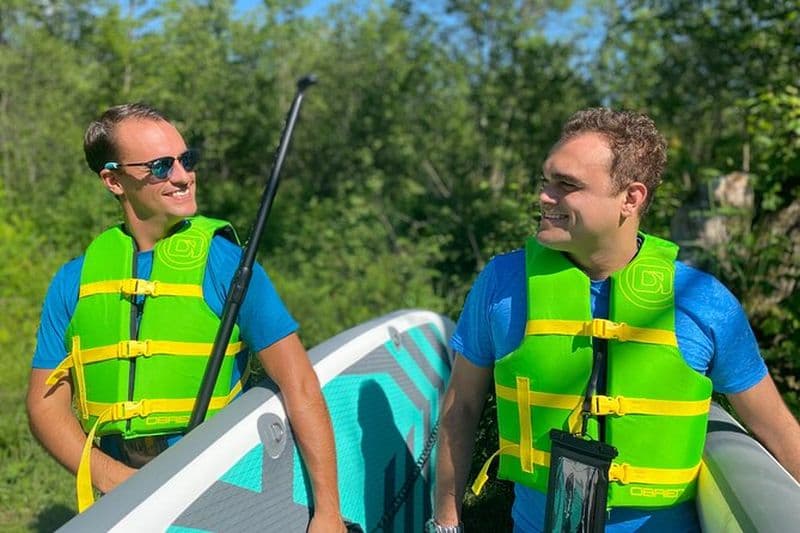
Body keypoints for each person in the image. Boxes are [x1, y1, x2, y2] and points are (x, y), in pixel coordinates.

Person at [429, 108, 800, 532]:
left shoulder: (705, 303)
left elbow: (776, 428)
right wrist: (445, 522)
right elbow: (461, 408)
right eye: (545, 181)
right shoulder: (502, 282)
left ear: (631, 198)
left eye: (567, 186)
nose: (544, 197)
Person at [26, 103, 346, 532]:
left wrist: (327, 514)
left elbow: (299, 384)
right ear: (113, 179)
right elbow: (44, 406)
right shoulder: (75, 280)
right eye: (160, 166)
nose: (182, 176)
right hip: (121, 494)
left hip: (225, 484)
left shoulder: (227, 264)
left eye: (186, 159)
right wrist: (113, 478)